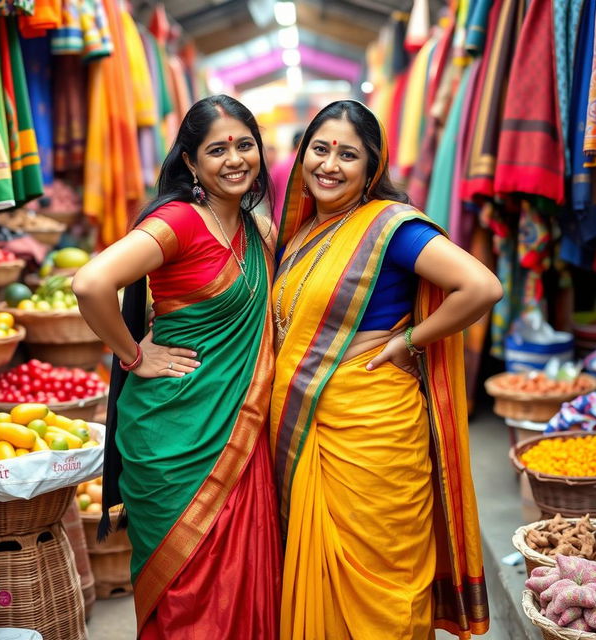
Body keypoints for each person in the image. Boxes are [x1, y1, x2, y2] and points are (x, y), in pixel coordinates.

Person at [270, 100, 502, 639]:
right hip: (312, 431)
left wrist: (409, 341)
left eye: (347, 154)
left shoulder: (389, 227)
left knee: (385, 587)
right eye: (320, 149)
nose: (329, 165)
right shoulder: (304, 229)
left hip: (374, 436)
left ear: (371, 167)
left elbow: (483, 286)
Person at [73, 95, 282, 639]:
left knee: (240, 583)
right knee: (186, 596)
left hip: (239, 425)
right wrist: (134, 355)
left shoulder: (260, 232)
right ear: (191, 162)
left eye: (244, 144)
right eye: (217, 149)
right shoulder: (178, 223)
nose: (235, 159)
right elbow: (91, 283)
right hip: (172, 436)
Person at [270, 130, 304, 224]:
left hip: (279, 218)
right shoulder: (305, 165)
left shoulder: (279, 165)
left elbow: (269, 193)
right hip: (301, 220)